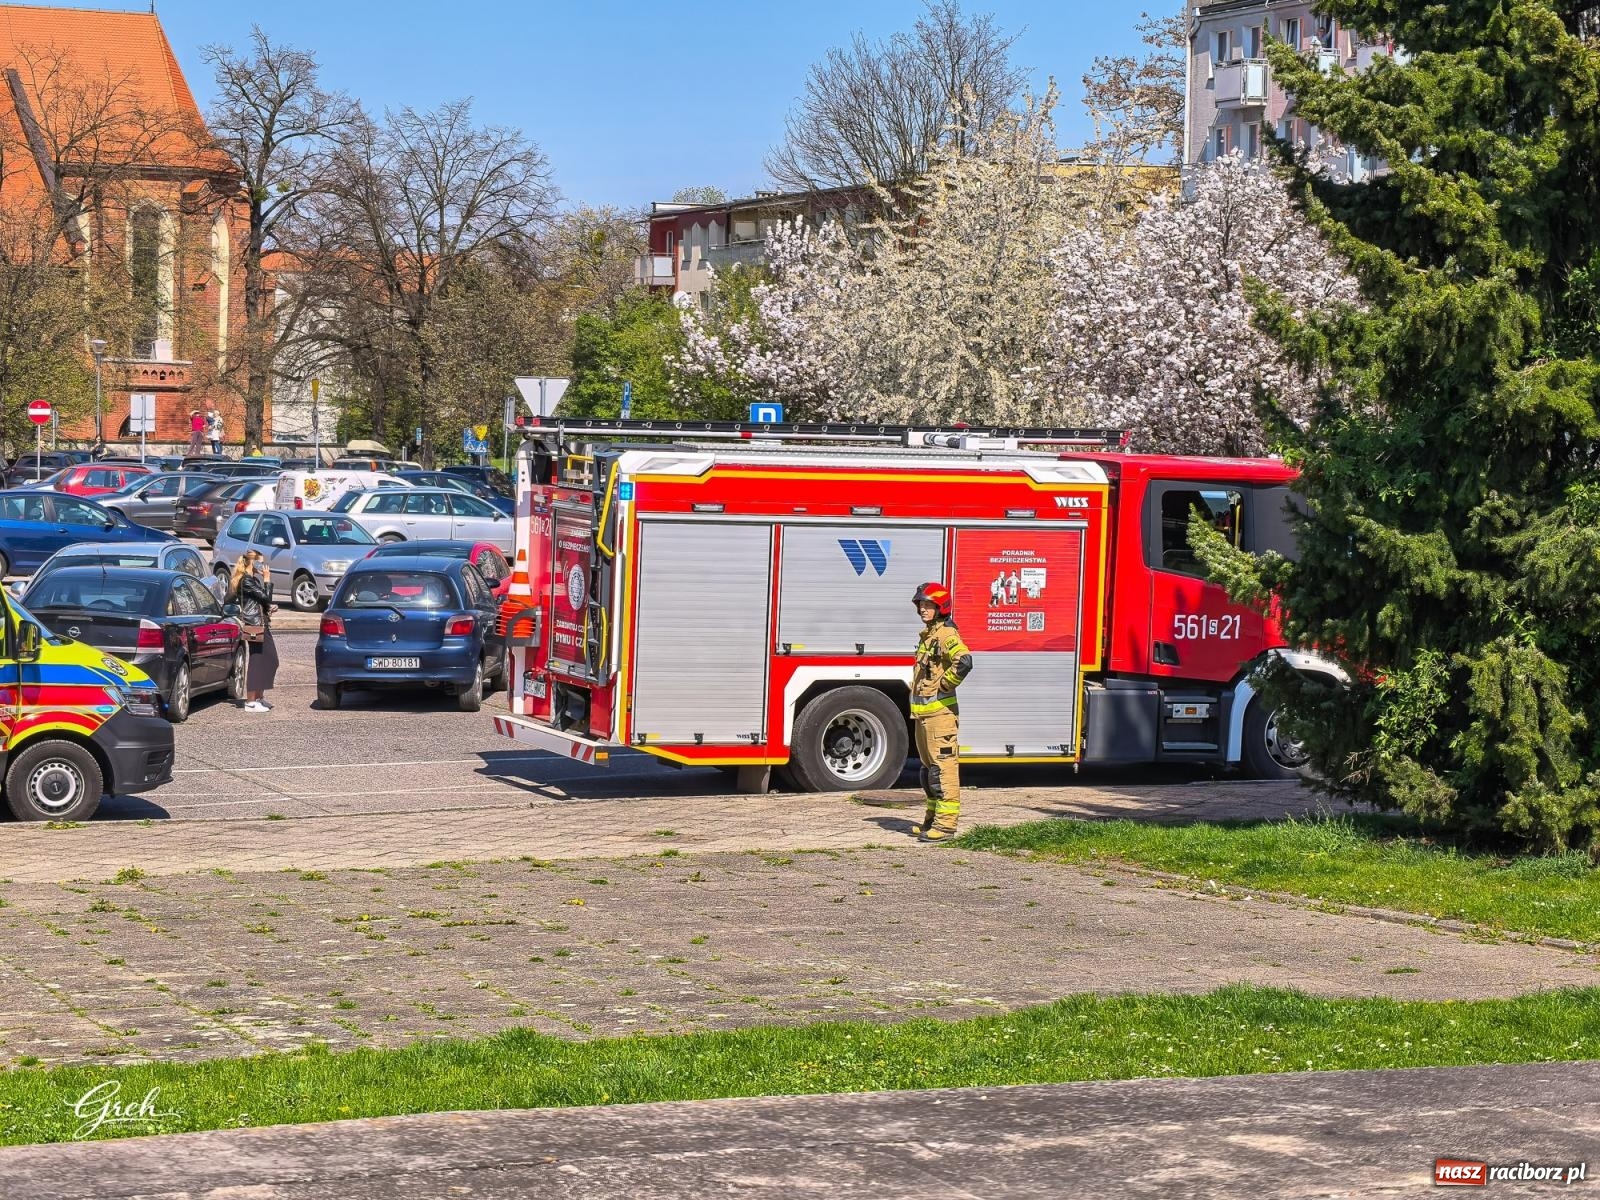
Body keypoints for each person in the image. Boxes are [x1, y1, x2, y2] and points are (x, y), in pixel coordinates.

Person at [910, 581, 973, 843]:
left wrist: (945, 685)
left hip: (940, 716)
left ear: (940, 608)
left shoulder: (947, 635)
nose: (923, 609)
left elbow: (965, 661)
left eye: (928, 605)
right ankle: (931, 820)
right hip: (925, 716)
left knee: (942, 770)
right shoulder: (929, 634)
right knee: (928, 771)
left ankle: (946, 826)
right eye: (921, 605)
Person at [228, 550, 278, 713]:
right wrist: (267, 580)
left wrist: (268, 608)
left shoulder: (251, 580)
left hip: (261, 622)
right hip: (254, 625)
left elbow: (261, 602)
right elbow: (265, 597)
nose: (263, 566)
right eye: (260, 562)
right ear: (251, 562)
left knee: (270, 659)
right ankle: (250, 701)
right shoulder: (246, 581)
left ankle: (258, 697)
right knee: (257, 660)